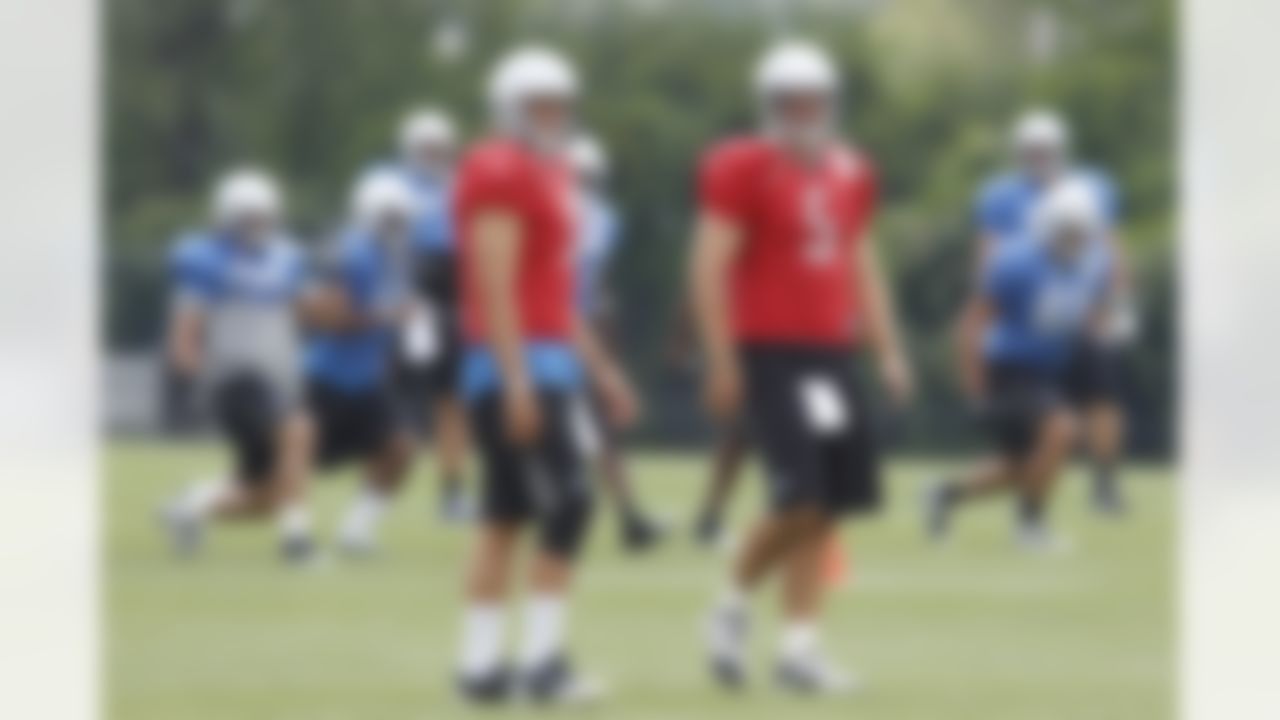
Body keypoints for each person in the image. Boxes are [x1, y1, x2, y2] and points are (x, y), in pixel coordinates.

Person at [691, 40, 913, 695]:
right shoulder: (743, 167)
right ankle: (729, 607)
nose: (802, 111)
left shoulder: (850, 170)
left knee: (830, 505)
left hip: (830, 354)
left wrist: (889, 348)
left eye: (813, 99)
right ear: (768, 105)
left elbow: (862, 265)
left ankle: (799, 649)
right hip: (769, 348)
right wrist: (722, 357)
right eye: (789, 101)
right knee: (799, 497)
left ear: (832, 102)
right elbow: (707, 266)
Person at [451, 46, 637, 706]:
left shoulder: (552, 170)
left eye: (559, 104)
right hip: (513, 364)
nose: (552, 115)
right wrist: (518, 382)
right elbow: (494, 286)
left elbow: (554, 293)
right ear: (508, 108)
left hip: (550, 356)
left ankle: (478, 670)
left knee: (505, 515)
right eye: (539, 105)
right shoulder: (498, 167)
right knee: (570, 505)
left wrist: (603, 370)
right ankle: (541, 665)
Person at [927, 179, 1115, 550]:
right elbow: (972, 322)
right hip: (1009, 367)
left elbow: (1086, 313)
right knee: (1062, 430)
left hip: (1052, 370)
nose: (1074, 239)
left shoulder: (1095, 262)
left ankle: (944, 495)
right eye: (1067, 231)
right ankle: (1030, 527)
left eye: (1081, 233)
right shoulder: (1016, 262)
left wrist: (1104, 327)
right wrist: (973, 384)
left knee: (1022, 465)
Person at [964, 108, 1133, 512]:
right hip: (1027, 317)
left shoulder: (1091, 189)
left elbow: (1109, 249)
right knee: (1046, 432)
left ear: (1061, 149)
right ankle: (1021, 506)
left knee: (1102, 394)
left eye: (1046, 149)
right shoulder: (1002, 198)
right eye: (1031, 150)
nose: (1039, 157)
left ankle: (1105, 482)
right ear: (1019, 153)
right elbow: (987, 265)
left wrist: (1115, 304)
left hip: (1076, 311)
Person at [160, 168, 315, 564]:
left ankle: (189, 508)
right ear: (227, 216)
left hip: (275, 377)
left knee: (269, 494)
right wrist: (189, 374)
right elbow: (187, 325)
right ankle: (297, 542)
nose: (256, 224)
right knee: (298, 430)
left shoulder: (286, 257)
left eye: (261, 215)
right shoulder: (207, 258)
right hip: (233, 375)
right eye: (248, 215)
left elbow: (300, 311)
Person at [300, 171, 420, 556]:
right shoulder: (350, 251)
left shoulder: (395, 255)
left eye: (402, 217)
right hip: (327, 378)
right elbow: (330, 319)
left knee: (400, 449)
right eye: (391, 217)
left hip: (367, 379)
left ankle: (357, 531)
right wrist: (388, 318)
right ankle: (194, 507)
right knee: (280, 471)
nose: (399, 225)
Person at [374, 107, 476, 523]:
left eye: (440, 147)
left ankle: (452, 493)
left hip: (454, 295)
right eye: (426, 147)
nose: (434, 154)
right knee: (403, 401)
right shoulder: (389, 184)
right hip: (410, 295)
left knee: (453, 400)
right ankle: (371, 502)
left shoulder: (461, 183)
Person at [568, 132, 666, 553]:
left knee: (598, 427)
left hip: (581, 326)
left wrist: (605, 335)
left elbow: (599, 283)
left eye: (589, 177)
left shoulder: (603, 218)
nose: (584, 185)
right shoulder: (546, 211)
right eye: (579, 176)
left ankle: (628, 515)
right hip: (543, 330)